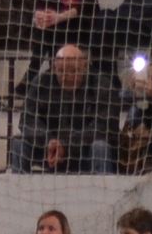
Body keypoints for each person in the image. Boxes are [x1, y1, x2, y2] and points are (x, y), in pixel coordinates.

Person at [13, 43, 118, 174]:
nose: (66, 77)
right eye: (61, 71)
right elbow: (27, 120)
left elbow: (105, 126)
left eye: (73, 71)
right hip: (50, 150)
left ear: (84, 67)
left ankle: (105, 186)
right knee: (19, 143)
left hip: (84, 150)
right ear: (54, 67)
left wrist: (66, 144)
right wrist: (49, 141)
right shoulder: (41, 83)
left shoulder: (101, 85)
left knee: (101, 147)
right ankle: (18, 184)